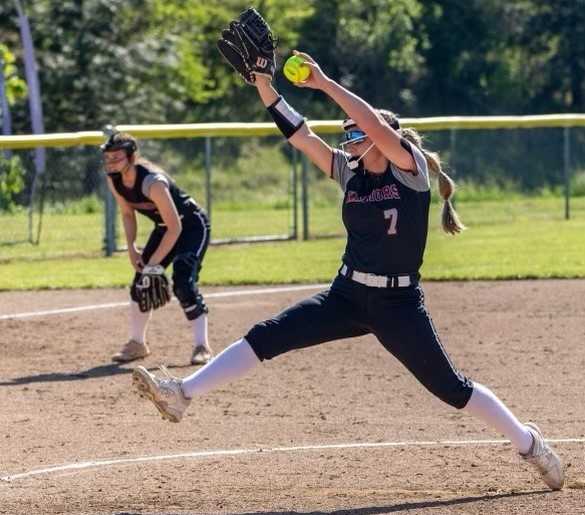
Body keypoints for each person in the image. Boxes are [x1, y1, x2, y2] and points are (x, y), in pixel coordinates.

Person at [132, 52, 564, 490]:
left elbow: (373, 123)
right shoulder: (350, 171)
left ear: (384, 137)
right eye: (349, 135)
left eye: (357, 133)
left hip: (398, 306)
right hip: (346, 296)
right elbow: (300, 135)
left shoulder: (410, 172)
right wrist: (264, 86)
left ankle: (529, 443)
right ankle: (181, 394)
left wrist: (323, 82)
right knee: (267, 335)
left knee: (451, 388)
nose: (351, 140)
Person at [101, 131, 213, 366]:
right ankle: (136, 343)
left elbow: (176, 226)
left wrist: (154, 264)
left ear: (131, 157)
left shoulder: (153, 182)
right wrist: (131, 247)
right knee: (141, 280)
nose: (110, 162)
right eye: (108, 157)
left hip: (191, 226)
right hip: (166, 228)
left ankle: (202, 346)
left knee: (183, 279)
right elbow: (127, 213)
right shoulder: (114, 179)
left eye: (117, 157)